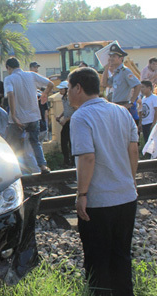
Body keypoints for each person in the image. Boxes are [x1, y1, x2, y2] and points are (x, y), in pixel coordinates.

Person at [68, 67, 139, 296]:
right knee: (121, 256)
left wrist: (82, 195)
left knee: (97, 261)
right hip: (127, 198)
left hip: (99, 203)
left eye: (68, 88)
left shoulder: (81, 117)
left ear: (78, 88)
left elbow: (87, 158)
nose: (67, 93)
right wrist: (130, 181)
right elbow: (134, 151)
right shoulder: (121, 112)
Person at [4, 57, 54, 174]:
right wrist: (44, 94)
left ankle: (16, 169)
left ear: (8, 68)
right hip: (33, 117)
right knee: (35, 142)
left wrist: (14, 115)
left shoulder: (9, 79)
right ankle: (43, 166)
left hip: (18, 119)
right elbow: (50, 84)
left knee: (13, 144)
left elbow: (10, 95)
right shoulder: (31, 75)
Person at [55, 81, 75, 167]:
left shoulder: (71, 98)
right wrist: (60, 116)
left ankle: (73, 161)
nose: (60, 91)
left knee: (71, 142)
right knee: (64, 141)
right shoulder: (63, 98)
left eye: (61, 89)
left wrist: (66, 119)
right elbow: (66, 109)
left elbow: (76, 110)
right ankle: (66, 160)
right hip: (67, 121)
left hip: (72, 122)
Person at [140, 80, 157, 144]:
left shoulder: (154, 98)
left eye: (143, 87)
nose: (141, 89)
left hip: (150, 123)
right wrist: (141, 123)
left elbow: (156, 110)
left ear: (149, 88)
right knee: (146, 141)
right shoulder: (143, 98)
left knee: (152, 142)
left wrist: (154, 123)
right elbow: (142, 111)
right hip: (144, 123)